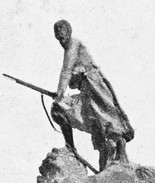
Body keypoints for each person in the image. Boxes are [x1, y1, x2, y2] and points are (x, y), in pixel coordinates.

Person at [51, 20, 134, 171]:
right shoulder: (68, 47)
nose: (60, 40)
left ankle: (118, 157)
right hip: (86, 92)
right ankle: (71, 150)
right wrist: (60, 95)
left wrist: (60, 93)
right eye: (58, 37)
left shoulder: (73, 44)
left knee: (107, 125)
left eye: (62, 36)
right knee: (59, 110)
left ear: (69, 32)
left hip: (95, 89)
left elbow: (67, 70)